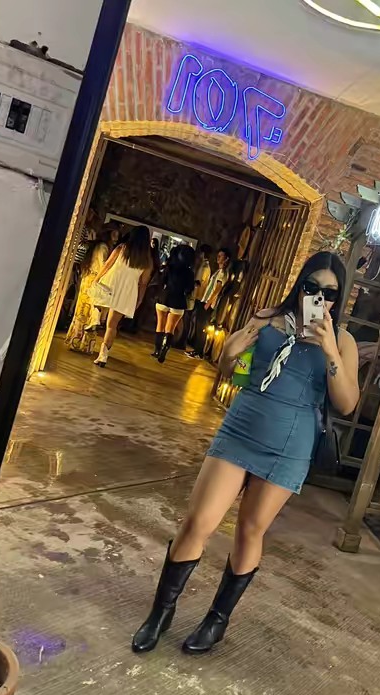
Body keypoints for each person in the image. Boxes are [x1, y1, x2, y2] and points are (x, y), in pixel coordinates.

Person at [132, 251, 360, 656]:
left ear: (338, 298)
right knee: (198, 521)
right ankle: (160, 613)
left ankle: (216, 620)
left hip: (290, 446)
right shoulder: (267, 319)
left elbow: (346, 403)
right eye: (311, 287)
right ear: (299, 285)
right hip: (241, 430)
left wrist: (329, 350)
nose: (319, 298)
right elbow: (232, 370)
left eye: (329, 293)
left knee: (250, 530)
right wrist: (227, 354)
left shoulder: (342, 341)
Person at [92, 226, 156, 368]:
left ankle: (96, 318)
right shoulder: (147, 260)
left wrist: (96, 279)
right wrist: (139, 299)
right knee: (112, 325)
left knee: (97, 302)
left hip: (111, 284)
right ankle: (103, 355)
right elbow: (143, 283)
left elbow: (107, 265)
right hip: (127, 292)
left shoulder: (121, 248)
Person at [64, 226, 113, 353]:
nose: (116, 238)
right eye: (114, 235)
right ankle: (84, 345)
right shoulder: (103, 247)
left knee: (81, 312)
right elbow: (103, 266)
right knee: (91, 314)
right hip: (94, 282)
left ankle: (75, 340)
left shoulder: (95, 246)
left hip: (87, 279)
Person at [152, 244, 196, 363]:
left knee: (160, 324)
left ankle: (157, 350)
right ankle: (164, 351)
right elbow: (189, 289)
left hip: (165, 297)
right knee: (170, 328)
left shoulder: (169, 267)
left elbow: (162, 281)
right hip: (178, 300)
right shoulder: (190, 273)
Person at [187, 247, 231, 360]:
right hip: (204, 300)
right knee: (199, 326)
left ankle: (199, 352)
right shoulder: (218, 271)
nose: (218, 257)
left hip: (208, 303)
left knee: (202, 328)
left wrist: (209, 302)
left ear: (226, 259)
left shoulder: (223, 273)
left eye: (221, 256)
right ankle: (196, 350)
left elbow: (217, 289)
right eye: (218, 255)